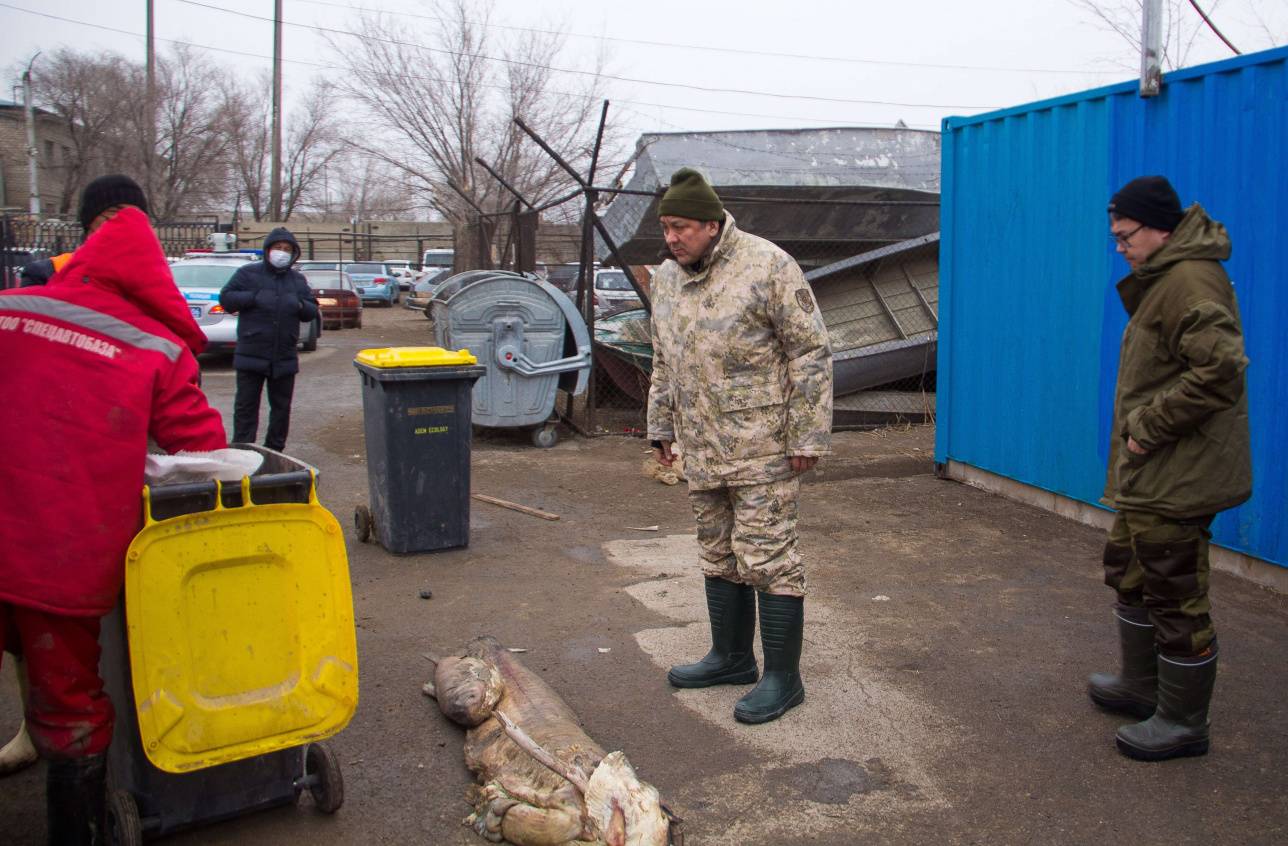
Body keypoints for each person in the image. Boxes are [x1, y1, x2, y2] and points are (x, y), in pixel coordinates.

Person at [0, 173, 227, 841]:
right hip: (58, 557)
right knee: (72, 708)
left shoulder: (9, 307)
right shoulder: (157, 348)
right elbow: (204, 456)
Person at [647, 168, 833, 725]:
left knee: (771, 560)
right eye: (666, 228)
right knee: (717, 553)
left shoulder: (767, 265)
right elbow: (663, 357)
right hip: (702, 447)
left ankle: (783, 677)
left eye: (680, 227)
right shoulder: (667, 278)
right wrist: (662, 426)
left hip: (762, 449)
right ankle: (730, 657)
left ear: (711, 224)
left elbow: (811, 352)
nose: (672, 238)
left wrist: (807, 434)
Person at [1089, 175, 1251, 762]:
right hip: (1153, 470)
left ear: (1159, 229)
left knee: (1175, 590)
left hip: (1178, 470)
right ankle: (1141, 687)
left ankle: (1184, 722)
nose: (1120, 246)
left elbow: (1221, 370)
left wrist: (1147, 427)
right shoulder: (1165, 275)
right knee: (1130, 569)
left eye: (1125, 235)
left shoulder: (1189, 280)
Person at [219, 228, 318, 452]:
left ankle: (274, 450)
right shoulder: (248, 274)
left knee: (281, 408)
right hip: (251, 353)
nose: (281, 253)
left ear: (294, 254)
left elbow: (311, 310)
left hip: (283, 356)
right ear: (267, 250)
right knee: (246, 406)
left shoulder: (297, 280)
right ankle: (243, 450)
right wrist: (253, 297)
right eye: (277, 248)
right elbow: (226, 298)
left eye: (287, 249)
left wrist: (301, 305)